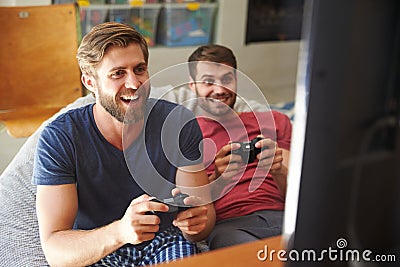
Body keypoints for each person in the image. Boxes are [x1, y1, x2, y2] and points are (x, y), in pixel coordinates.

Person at [32, 22, 215, 266]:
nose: (134, 83)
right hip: (96, 246)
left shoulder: (179, 123)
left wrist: (195, 226)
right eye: (118, 73)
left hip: (165, 242)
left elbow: (204, 218)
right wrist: (120, 232)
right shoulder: (60, 137)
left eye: (139, 69)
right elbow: (55, 250)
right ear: (90, 82)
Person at [187, 45, 292, 250]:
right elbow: (193, 208)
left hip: (284, 217)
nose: (219, 90)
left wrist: (277, 170)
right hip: (232, 226)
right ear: (192, 86)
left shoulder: (275, 122)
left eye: (227, 79)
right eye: (208, 81)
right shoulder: (187, 134)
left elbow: (301, 192)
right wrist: (219, 177)